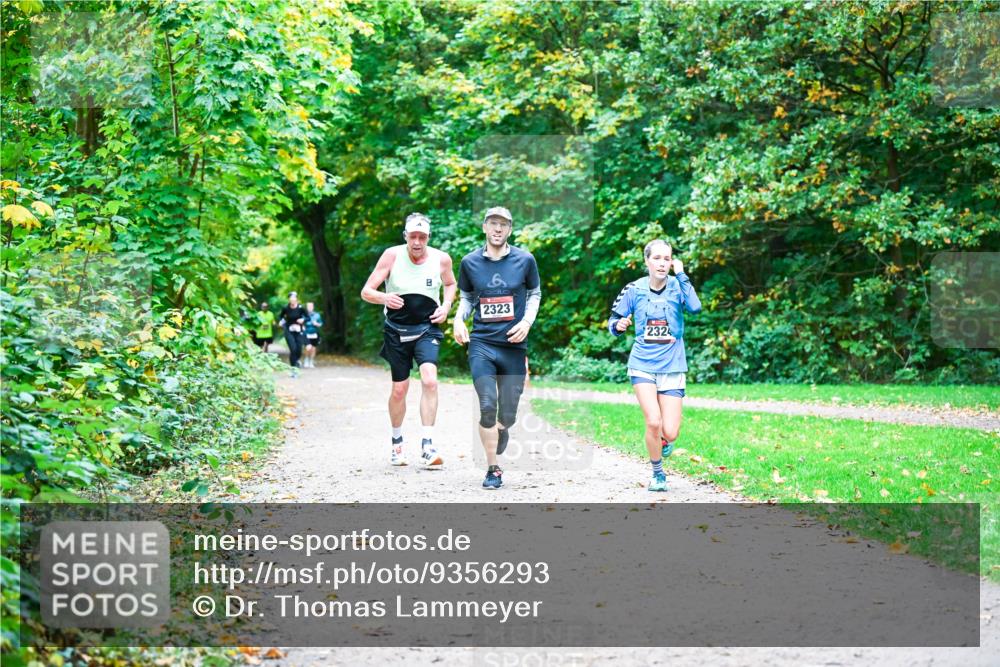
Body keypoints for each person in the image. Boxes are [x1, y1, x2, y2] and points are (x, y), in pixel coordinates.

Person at [453, 206, 541, 490]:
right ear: (484, 227)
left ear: (510, 229)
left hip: (513, 346)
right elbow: (467, 297)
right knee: (487, 404)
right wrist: (458, 319)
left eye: (503, 224)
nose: (498, 229)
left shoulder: (525, 260)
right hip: (482, 343)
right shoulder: (469, 262)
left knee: (509, 414)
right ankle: (493, 468)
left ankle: (503, 428)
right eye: (493, 223)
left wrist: (526, 322)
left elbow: (535, 294)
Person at [361, 213, 457, 469]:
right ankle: (397, 443)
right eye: (412, 236)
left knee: (430, 380)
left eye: (422, 237)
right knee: (399, 390)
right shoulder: (391, 256)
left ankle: (428, 445)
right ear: (405, 236)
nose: (417, 242)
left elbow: (450, 284)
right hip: (396, 330)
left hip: (428, 328)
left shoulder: (441, 259)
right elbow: (367, 291)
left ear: (428, 237)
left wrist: (446, 306)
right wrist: (385, 298)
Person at [607, 239, 702, 492]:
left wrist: (681, 274)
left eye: (667, 259)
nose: (662, 263)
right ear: (647, 261)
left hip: (672, 364)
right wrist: (618, 326)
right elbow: (613, 320)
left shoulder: (678, 286)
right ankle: (658, 473)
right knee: (653, 421)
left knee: (670, 432)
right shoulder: (634, 289)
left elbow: (695, 307)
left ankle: (664, 442)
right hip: (642, 364)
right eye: (657, 258)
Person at [278, 291, 308, 376]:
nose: (292, 300)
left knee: (299, 349)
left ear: (296, 299)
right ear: (289, 299)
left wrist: (303, 320)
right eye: (291, 298)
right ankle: (293, 369)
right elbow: (280, 316)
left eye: (294, 298)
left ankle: (297, 360)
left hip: (299, 331)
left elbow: (307, 317)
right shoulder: (286, 308)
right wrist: (281, 321)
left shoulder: (301, 308)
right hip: (289, 330)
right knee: (293, 349)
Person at [303, 302, 324, 368]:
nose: (310, 308)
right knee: (307, 348)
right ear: (307, 307)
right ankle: (306, 359)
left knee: (313, 348)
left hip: (314, 333)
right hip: (306, 333)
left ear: (313, 307)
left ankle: (311, 361)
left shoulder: (317, 315)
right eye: (308, 306)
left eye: (311, 306)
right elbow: (300, 323)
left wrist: (317, 324)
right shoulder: (304, 315)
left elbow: (321, 324)